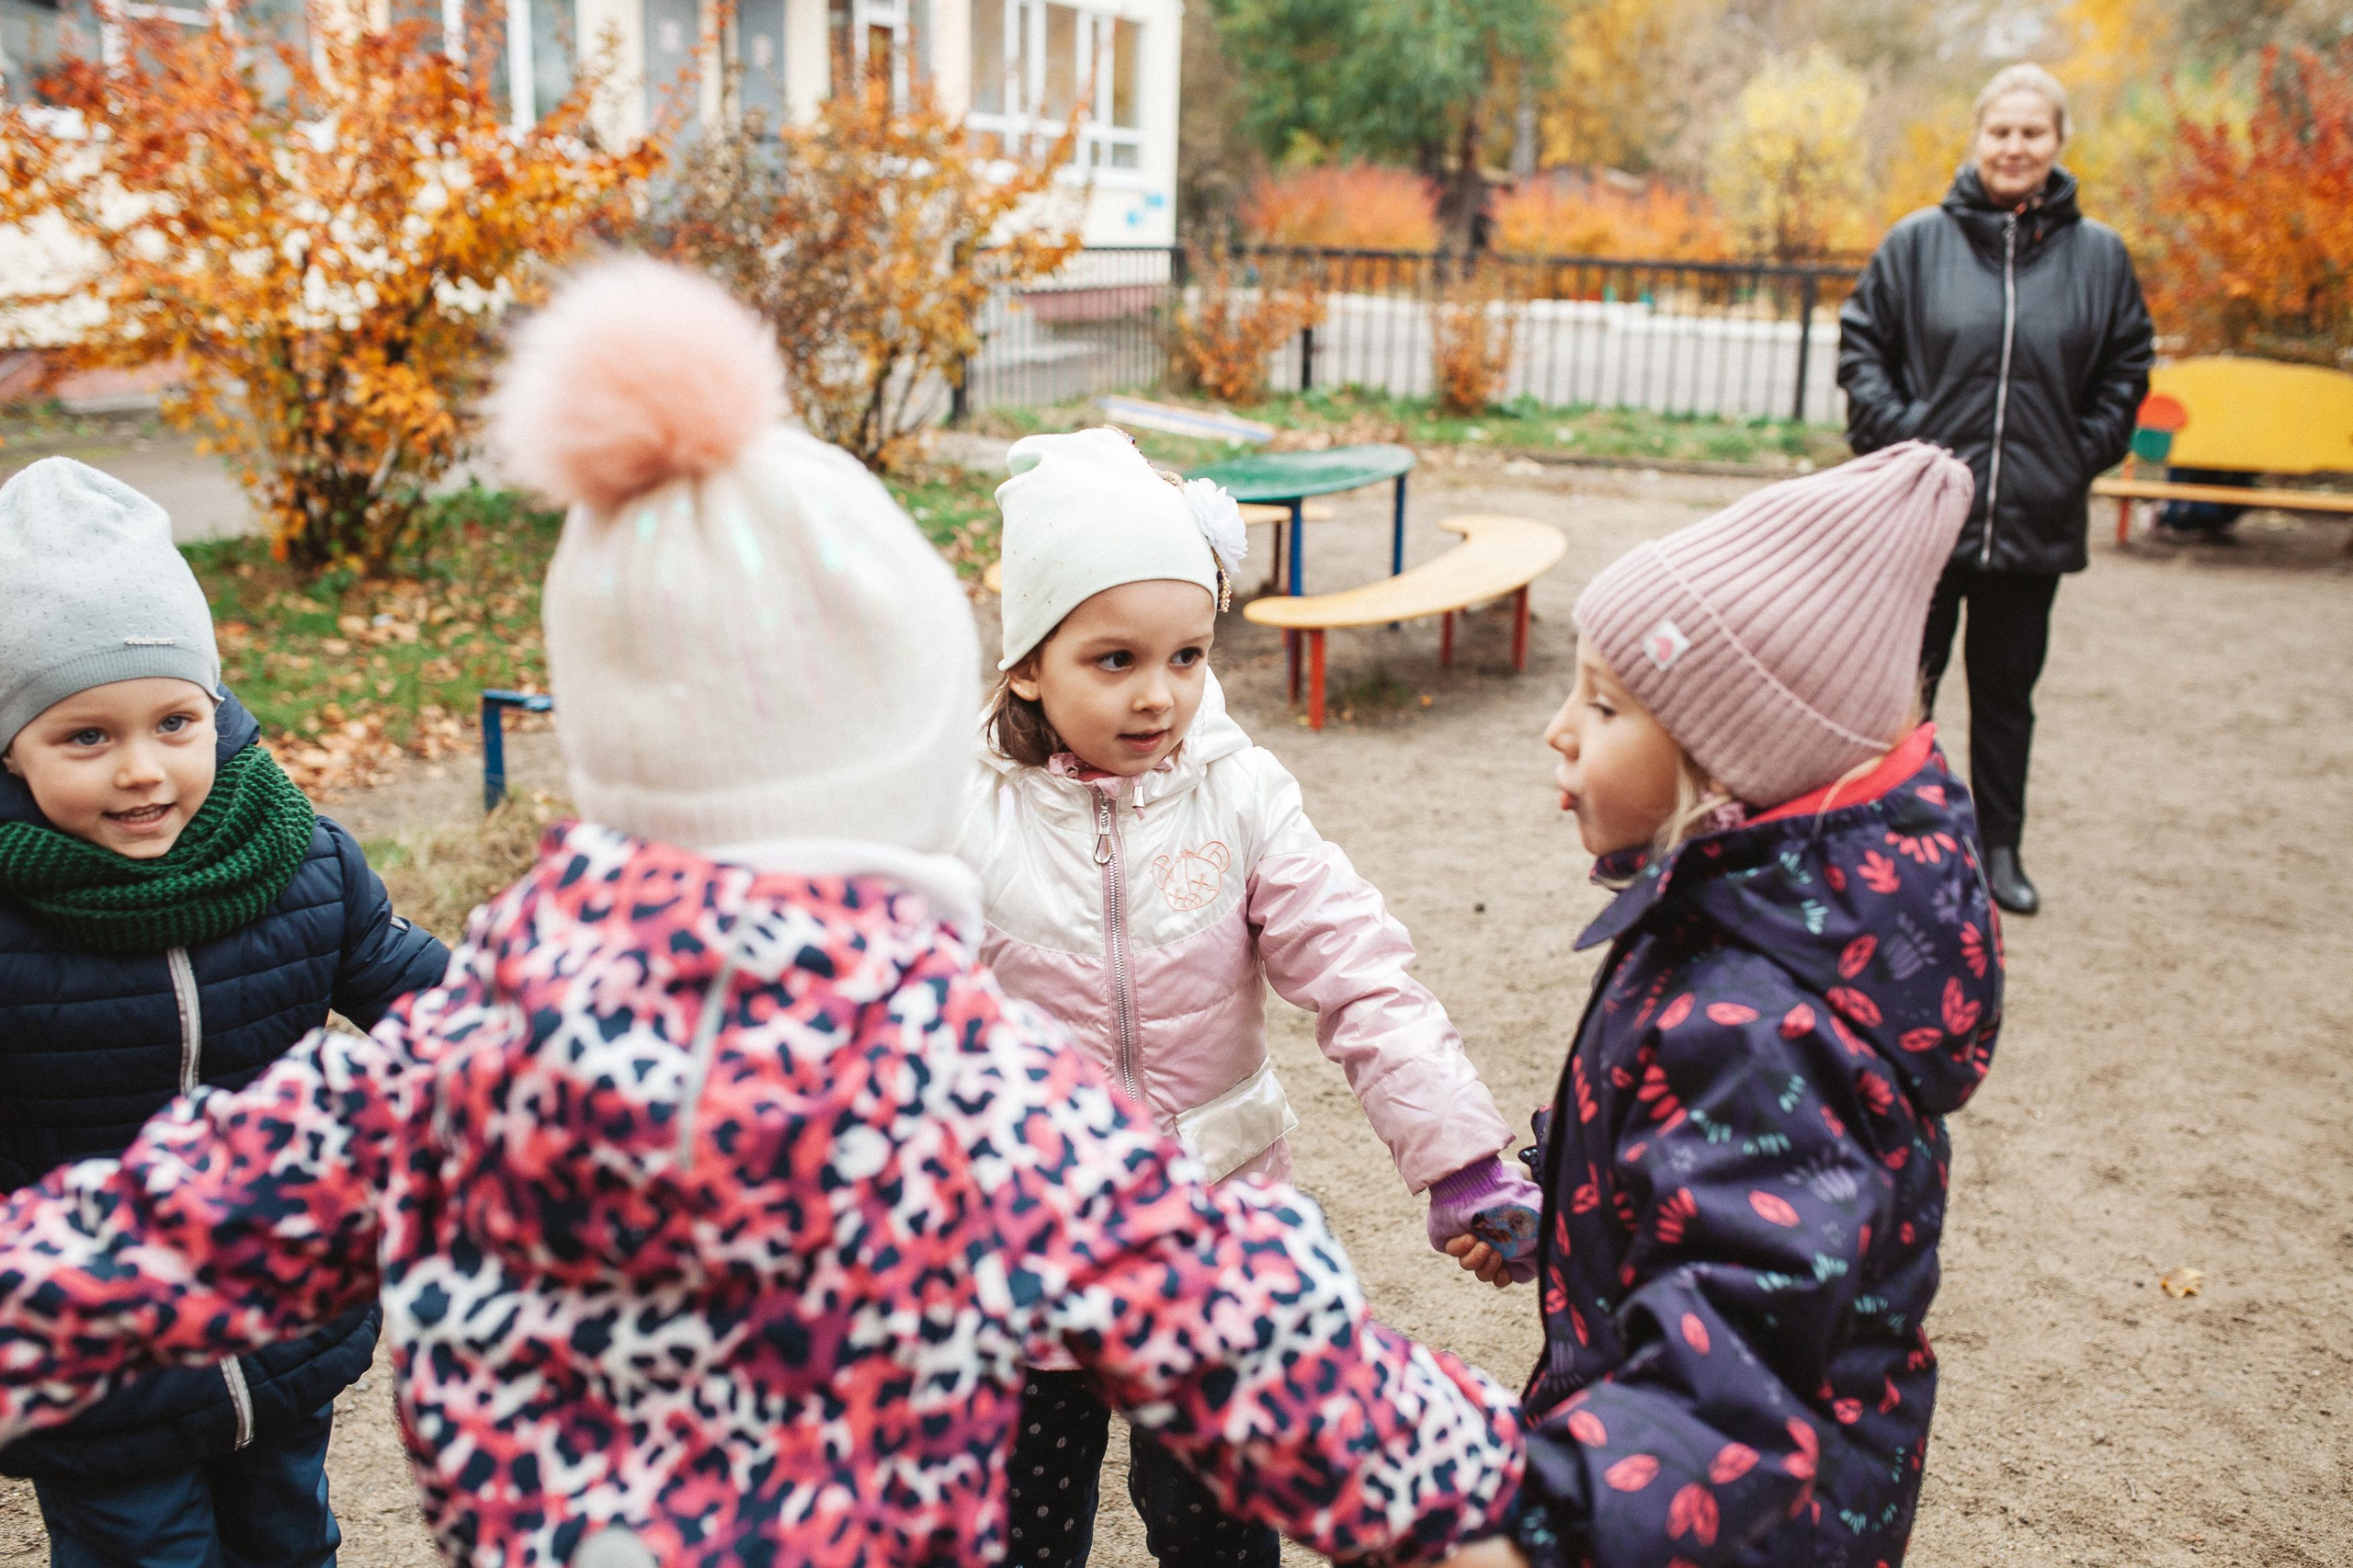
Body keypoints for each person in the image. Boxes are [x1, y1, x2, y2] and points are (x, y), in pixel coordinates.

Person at [0, 260, 1540, 1568]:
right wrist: (1518, 1460)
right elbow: (1272, 1353)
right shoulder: (972, 1088)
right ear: (906, 753)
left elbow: (129, 1247)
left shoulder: (479, 1047)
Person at [955, 427, 1544, 1568]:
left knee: (1220, 1538)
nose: (1159, 695)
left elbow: (1357, 970)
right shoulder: (957, 813)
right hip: (1022, 1252)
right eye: (1113, 659)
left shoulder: (1239, 793)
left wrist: (1464, 1163)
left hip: (1209, 1237)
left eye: (1187, 655)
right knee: (1012, 1535)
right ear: (1028, 658)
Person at [1447, 443, 2006, 1568]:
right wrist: (1559, 1194)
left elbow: (1734, 1365)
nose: (1560, 728)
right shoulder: (1755, 905)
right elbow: (1694, 1151)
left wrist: (1538, 1537)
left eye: (1604, 704)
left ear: (1725, 769)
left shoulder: (1768, 1019)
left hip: (1724, 1526)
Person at [0, 458, 449, 1568]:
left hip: (282, 1313)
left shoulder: (297, 855)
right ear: (10, 747)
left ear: (216, 705)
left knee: (291, 1536)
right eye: (86, 737)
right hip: (97, 1358)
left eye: (174, 720)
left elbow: (420, 995)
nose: (144, 769)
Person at [1836, 62, 2154, 915]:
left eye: (2033, 132)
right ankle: (1896, 840)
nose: (2015, 147)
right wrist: (1902, 446)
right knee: (1907, 691)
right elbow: (1863, 350)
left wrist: (2071, 459)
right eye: (2001, 131)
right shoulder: (1916, 244)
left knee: (2007, 694)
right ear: (1977, 139)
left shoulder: (2101, 258)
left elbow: (2126, 371)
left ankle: (1997, 849)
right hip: (1925, 522)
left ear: (2057, 143)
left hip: (2032, 524)